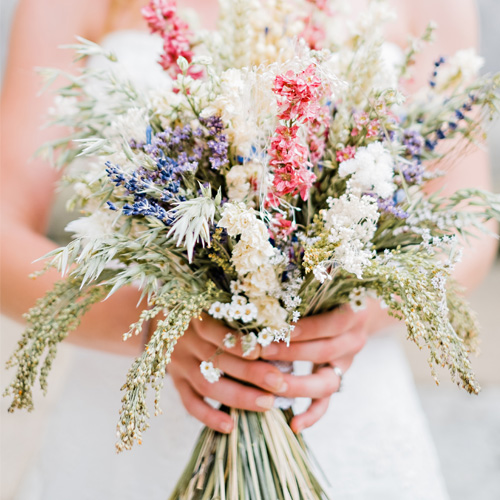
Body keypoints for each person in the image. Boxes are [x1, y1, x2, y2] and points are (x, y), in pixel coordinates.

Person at [0, 0, 497, 498]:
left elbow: (472, 229)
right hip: (128, 421)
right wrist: (154, 325)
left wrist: (355, 314)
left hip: (345, 412)